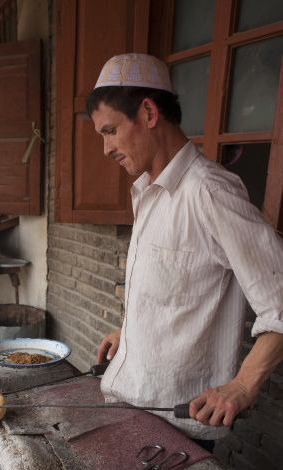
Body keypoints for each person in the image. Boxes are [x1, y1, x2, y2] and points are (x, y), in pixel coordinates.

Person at [86, 53, 283, 444]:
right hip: (129, 404)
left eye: (110, 131)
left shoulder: (210, 192)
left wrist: (243, 386)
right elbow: (177, 288)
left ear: (147, 112)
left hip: (176, 427)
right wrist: (132, 330)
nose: (106, 149)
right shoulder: (146, 190)